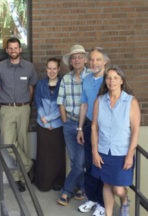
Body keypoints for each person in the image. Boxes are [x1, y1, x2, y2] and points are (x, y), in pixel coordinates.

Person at [91, 66, 140, 216]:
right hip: (104, 150)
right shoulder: (99, 101)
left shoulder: (130, 102)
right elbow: (94, 127)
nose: (111, 81)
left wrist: (130, 154)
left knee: (118, 189)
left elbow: (135, 130)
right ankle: (109, 214)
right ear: (105, 81)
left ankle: (125, 200)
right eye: (108, 78)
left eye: (115, 78)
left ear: (121, 81)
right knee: (106, 184)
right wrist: (94, 152)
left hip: (122, 152)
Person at [0, 37, 38, 192]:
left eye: (16, 48)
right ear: (7, 50)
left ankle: (20, 177)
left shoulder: (29, 67)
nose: (13, 50)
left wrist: (25, 104)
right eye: (10, 48)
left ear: (20, 49)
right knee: (8, 142)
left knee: (23, 142)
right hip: (6, 109)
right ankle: (29, 164)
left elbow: (31, 88)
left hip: (24, 108)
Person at [56, 44, 92, 206]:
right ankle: (82, 188)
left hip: (86, 124)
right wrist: (65, 120)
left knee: (80, 162)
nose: (76, 60)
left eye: (79, 57)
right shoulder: (66, 78)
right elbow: (60, 102)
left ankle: (66, 190)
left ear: (85, 59)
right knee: (74, 159)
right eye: (74, 57)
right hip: (69, 123)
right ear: (70, 61)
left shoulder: (91, 77)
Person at [76, 47, 109, 216]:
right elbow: (84, 104)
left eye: (98, 59)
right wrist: (80, 128)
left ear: (105, 62)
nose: (94, 63)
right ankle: (92, 199)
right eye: (92, 60)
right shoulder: (87, 79)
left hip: (105, 130)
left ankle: (103, 204)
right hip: (89, 126)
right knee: (89, 165)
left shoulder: (110, 80)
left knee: (102, 165)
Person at [34, 57, 66, 191]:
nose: (51, 71)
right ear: (46, 69)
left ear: (58, 69)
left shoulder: (63, 84)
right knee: (44, 155)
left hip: (58, 124)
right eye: (49, 68)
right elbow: (37, 102)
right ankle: (44, 182)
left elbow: (63, 106)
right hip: (42, 124)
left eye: (54, 68)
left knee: (57, 154)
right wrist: (45, 120)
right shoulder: (41, 84)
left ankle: (58, 181)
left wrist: (50, 119)